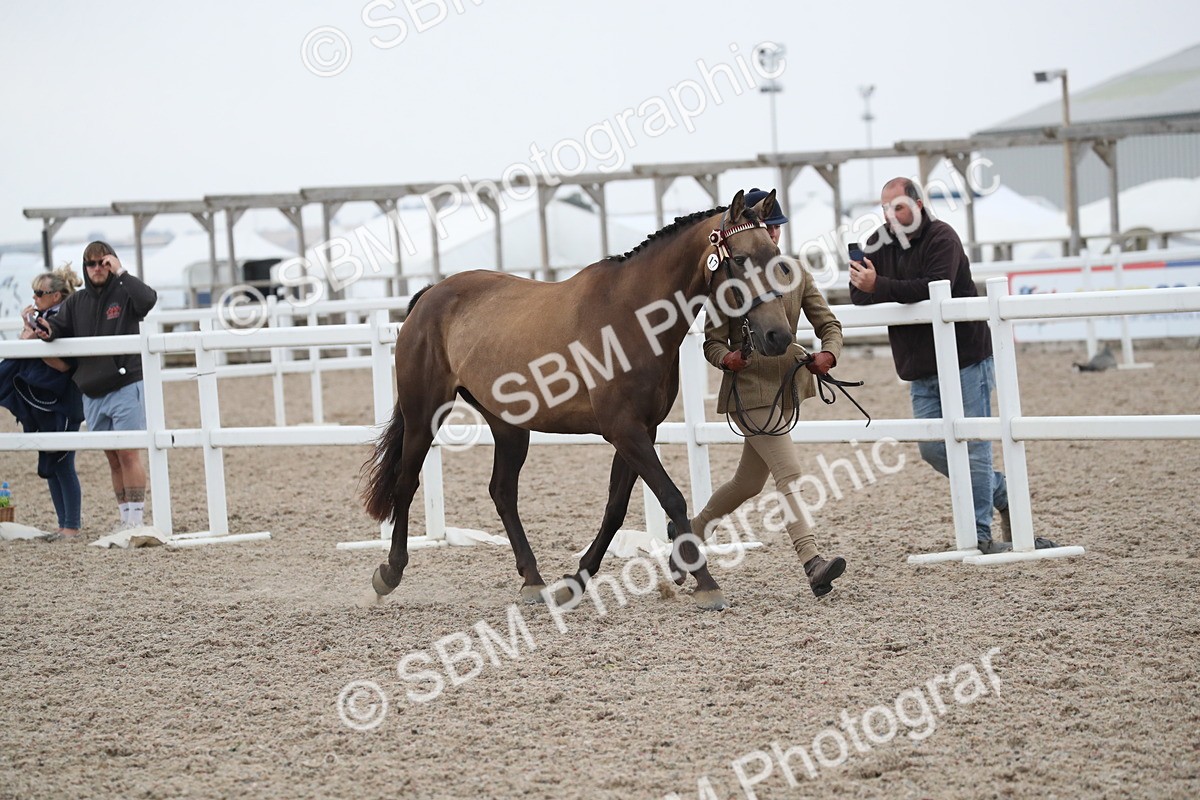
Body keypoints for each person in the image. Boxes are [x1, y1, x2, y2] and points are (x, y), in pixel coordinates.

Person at [678, 188, 849, 597]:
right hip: (749, 392)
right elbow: (712, 342)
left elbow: (829, 324)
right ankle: (812, 562)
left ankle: (690, 536)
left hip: (785, 390)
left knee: (746, 485)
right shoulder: (731, 283)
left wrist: (829, 354)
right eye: (767, 229)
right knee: (789, 474)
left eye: (775, 228)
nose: (772, 236)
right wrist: (727, 361)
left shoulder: (795, 273)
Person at [848, 177, 1010, 554]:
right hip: (920, 365)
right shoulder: (876, 241)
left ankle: (981, 535)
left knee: (973, 446)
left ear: (919, 204)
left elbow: (935, 286)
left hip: (965, 357)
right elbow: (859, 293)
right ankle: (1001, 490)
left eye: (899, 206)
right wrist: (876, 285)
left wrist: (880, 285)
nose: (891, 214)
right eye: (886, 207)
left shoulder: (943, 237)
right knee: (933, 449)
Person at [34, 242, 158, 532]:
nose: (98, 268)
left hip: (126, 382)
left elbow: (148, 300)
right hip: (92, 390)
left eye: (103, 262)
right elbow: (58, 328)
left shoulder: (126, 292)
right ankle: (125, 518)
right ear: (84, 267)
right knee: (112, 457)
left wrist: (122, 271)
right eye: (91, 264)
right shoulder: (77, 302)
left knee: (128, 453)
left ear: (112, 262)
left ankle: (136, 521)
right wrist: (46, 331)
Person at [0, 266, 86, 538]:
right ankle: (63, 525)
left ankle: (70, 526)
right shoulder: (45, 319)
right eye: (34, 293)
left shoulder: (64, 320)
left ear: (57, 296)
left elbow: (62, 365)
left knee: (62, 462)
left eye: (40, 293)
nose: (35, 298)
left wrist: (35, 341)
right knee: (51, 461)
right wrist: (30, 334)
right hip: (46, 400)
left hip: (62, 400)